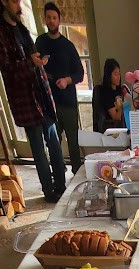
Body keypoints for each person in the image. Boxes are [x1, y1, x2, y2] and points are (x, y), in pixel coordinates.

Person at [0, 0, 66, 203]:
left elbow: (31, 57)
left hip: (41, 94)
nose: (18, 4)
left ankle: (62, 187)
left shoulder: (21, 28)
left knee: (54, 143)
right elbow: (8, 69)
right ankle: (49, 192)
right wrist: (30, 62)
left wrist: (37, 61)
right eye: (14, 1)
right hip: (25, 100)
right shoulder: (2, 33)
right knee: (38, 149)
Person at [36, 2, 84, 175]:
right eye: (48, 17)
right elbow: (34, 68)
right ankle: (58, 175)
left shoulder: (68, 46)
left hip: (67, 101)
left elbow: (80, 73)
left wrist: (66, 80)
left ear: (59, 20)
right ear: (45, 19)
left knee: (73, 141)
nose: (51, 21)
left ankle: (77, 174)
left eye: (54, 18)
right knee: (53, 142)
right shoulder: (40, 42)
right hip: (48, 102)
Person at [93, 58, 124, 132]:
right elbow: (116, 118)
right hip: (111, 129)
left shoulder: (118, 90)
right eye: (115, 74)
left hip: (122, 126)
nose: (118, 77)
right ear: (109, 75)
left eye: (119, 73)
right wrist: (123, 106)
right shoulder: (105, 93)